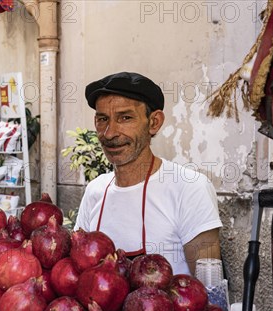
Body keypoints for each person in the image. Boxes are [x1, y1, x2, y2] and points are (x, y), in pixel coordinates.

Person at [74, 72, 222, 275]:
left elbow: (211, 289)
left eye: (125, 118)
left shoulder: (189, 188)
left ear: (154, 122)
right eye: (102, 119)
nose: (110, 133)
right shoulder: (95, 191)